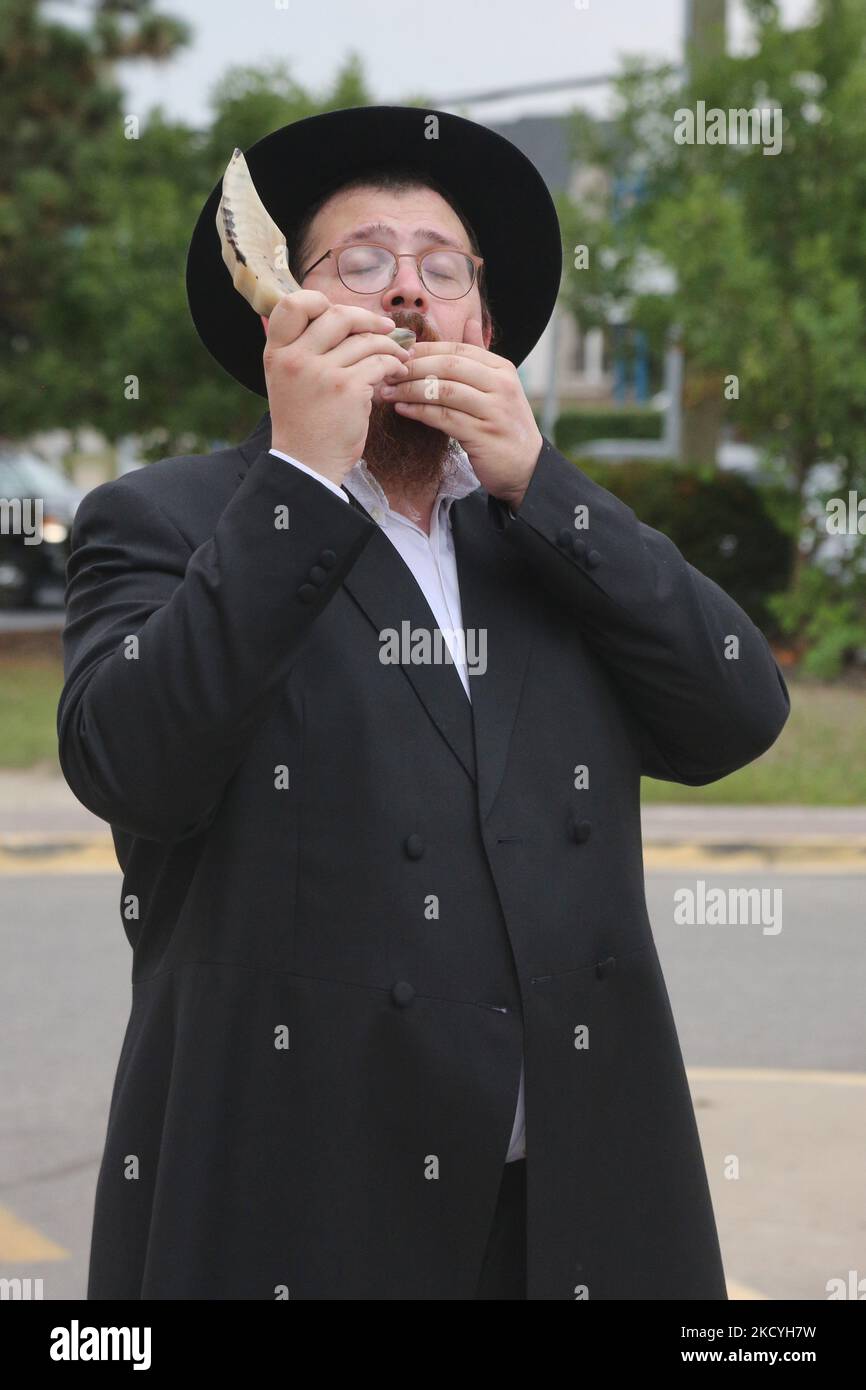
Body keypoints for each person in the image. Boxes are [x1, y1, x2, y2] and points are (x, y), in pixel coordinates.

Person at [58, 105, 790, 1300]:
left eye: (439, 266)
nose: (406, 290)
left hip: (572, 1207)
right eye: (358, 262)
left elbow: (739, 713)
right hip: (307, 1209)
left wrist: (547, 489)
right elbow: (131, 766)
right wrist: (302, 477)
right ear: (281, 321)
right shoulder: (167, 520)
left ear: (484, 325)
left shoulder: (544, 533)